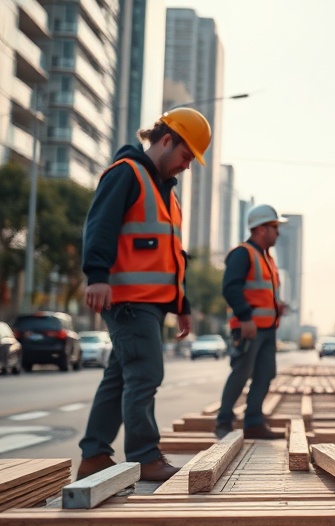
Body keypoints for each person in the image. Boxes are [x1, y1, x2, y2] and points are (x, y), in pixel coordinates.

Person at [77, 107, 211, 481]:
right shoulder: (127, 173)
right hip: (128, 299)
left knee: (120, 377)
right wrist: (97, 275)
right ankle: (144, 456)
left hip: (151, 303)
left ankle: (94, 456)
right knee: (146, 373)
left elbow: (171, 256)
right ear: (166, 140)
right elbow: (100, 224)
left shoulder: (167, 195)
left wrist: (181, 303)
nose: (187, 166)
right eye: (186, 156)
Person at [214, 205, 289, 440]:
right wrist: (245, 317)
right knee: (241, 373)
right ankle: (223, 422)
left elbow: (262, 292)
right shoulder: (242, 253)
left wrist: (278, 307)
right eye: (275, 227)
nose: (278, 233)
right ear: (260, 229)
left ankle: (254, 422)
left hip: (267, 328)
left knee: (265, 373)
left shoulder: (267, 258)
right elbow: (230, 287)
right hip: (248, 328)